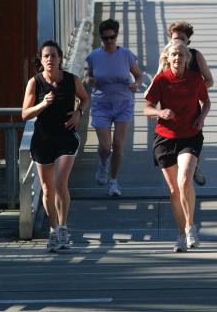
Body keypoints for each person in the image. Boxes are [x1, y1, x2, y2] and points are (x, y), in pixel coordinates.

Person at [22, 41, 89, 252]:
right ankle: (52, 230)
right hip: (43, 140)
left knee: (60, 182)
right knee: (47, 189)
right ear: (41, 61)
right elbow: (25, 114)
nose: (50, 59)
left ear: (60, 58)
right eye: (46, 56)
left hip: (66, 138)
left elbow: (85, 98)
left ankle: (63, 227)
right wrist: (43, 104)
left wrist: (79, 113)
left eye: (53, 55)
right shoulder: (35, 83)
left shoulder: (71, 80)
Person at [144, 40, 210, 252]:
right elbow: (147, 108)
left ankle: (191, 226)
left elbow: (205, 101)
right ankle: (181, 235)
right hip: (165, 138)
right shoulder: (161, 80)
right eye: (173, 55)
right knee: (174, 190)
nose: (177, 58)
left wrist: (201, 117)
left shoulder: (194, 79)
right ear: (167, 58)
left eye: (181, 55)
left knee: (184, 181)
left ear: (186, 59)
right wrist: (160, 113)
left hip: (190, 135)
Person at [85, 18, 143, 197]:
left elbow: (139, 76)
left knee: (118, 144)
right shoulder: (94, 56)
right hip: (101, 104)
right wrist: (90, 80)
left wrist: (136, 85)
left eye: (112, 37)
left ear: (117, 36)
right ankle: (102, 165)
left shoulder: (126, 55)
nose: (109, 41)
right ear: (101, 38)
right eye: (105, 38)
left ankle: (114, 182)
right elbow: (87, 77)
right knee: (105, 145)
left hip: (123, 104)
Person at [164, 21, 214, 186]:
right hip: (171, 106)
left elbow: (209, 80)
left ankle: (194, 166)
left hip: (192, 106)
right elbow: (158, 78)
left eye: (182, 39)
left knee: (192, 137)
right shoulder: (166, 56)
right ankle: (182, 173)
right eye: (175, 39)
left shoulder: (196, 56)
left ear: (188, 42)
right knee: (173, 141)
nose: (178, 43)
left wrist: (193, 90)